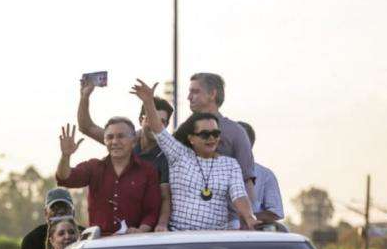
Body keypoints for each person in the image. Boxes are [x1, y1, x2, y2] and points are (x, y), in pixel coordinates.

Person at [132, 79, 258, 231]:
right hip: (180, 237)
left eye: (215, 133)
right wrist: (148, 102)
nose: (211, 138)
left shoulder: (230, 165)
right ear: (191, 138)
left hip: (217, 239)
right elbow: (158, 129)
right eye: (205, 134)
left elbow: (239, 195)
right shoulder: (178, 155)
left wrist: (250, 217)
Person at [78, 79, 173, 231]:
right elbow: (86, 127)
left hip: (146, 232)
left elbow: (165, 198)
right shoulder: (122, 139)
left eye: (163, 122)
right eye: (152, 118)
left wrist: (161, 224)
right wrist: (84, 97)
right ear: (141, 119)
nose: (157, 125)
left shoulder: (166, 154)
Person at [56, 122, 161, 236]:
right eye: (110, 137)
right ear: (105, 141)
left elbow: (152, 211)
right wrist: (65, 156)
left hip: (134, 243)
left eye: (121, 136)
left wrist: (141, 230)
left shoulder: (148, 171)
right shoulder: (94, 167)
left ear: (133, 140)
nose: (115, 142)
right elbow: (65, 178)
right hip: (99, 246)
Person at [178, 73, 256, 210]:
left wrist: (247, 219)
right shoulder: (182, 131)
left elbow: (246, 180)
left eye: (195, 92)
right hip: (185, 219)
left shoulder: (235, 132)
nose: (189, 97)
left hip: (227, 222)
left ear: (212, 94)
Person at [237, 121, 284, 224]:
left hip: (253, 236)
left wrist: (243, 218)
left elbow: (274, 213)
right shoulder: (213, 172)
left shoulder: (265, 175)